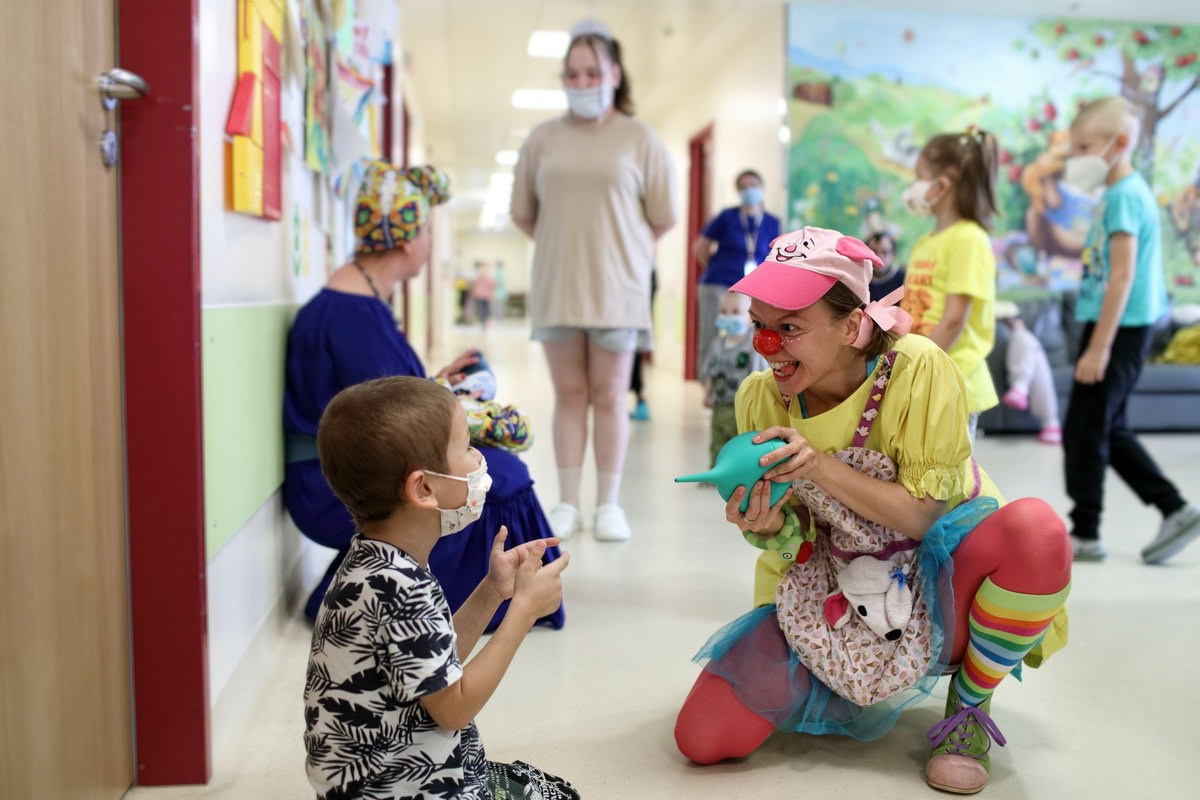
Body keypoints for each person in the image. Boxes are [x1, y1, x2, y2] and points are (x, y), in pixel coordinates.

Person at [673, 227, 1072, 795]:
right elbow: (798, 537)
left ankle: (969, 706)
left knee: (1038, 531)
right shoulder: (760, 397)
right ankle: (848, 674)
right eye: (759, 324)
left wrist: (819, 467)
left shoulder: (916, 369)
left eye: (790, 328)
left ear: (851, 325)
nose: (766, 345)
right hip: (832, 591)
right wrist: (769, 525)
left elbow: (925, 518)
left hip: (944, 579)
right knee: (703, 739)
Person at [284, 161, 565, 631]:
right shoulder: (354, 317)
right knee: (503, 475)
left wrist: (435, 385)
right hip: (338, 487)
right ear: (408, 239)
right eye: (428, 232)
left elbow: (378, 402)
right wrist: (478, 417)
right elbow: (389, 423)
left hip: (354, 465)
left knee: (491, 465)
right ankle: (481, 595)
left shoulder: (357, 303)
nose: (430, 243)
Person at [304, 376, 578, 800]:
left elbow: (433, 662)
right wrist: (522, 612)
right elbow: (454, 709)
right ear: (424, 488)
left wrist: (493, 591)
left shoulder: (377, 561)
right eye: (467, 447)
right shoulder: (400, 587)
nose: (480, 457)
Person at [511, 18, 677, 542]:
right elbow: (525, 213)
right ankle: (566, 503)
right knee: (568, 393)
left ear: (614, 74)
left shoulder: (640, 138)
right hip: (558, 285)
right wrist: (566, 244)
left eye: (592, 73)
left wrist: (616, 249)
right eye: (572, 74)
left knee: (608, 395)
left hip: (617, 290)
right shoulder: (542, 139)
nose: (581, 83)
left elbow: (662, 217)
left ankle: (608, 504)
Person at [1061, 97, 1200, 563]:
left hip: (1119, 329)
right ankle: (1174, 509)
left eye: (1084, 147)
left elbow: (1122, 277)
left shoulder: (1124, 196)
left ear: (1119, 143)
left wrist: (1099, 348)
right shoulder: (1122, 192)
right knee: (1106, 426)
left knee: (1085, 430)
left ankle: (1085, 532)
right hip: (1117, 327)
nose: (1075, 156)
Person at [899, 126, 1001, 442]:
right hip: (924, 376)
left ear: (941, 186)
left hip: (952, 382)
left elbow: (955, 318)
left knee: (947, 471)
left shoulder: (969, 239)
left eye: (919, 176)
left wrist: (918, 370)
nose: (913, 185)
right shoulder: (927, 242)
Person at [694, 170, 782, 369]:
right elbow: (700, 248)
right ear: (738, 191)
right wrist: (717, 269)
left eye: (753, 185)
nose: (749, 190)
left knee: (751, 333)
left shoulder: (772, 222)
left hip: (751, 289)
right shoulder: (727, 217)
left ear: (762, 188)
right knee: (711, 333)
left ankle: (747, 377)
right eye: (743, 187)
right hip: (719, 283)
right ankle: (708, 379)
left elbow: (774, 256)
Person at [701, 291, 766, 466]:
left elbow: (759, 378)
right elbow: (711, 371)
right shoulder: (717, 344)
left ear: (750, 318)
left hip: (741, 408)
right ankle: (715, 471)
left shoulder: (752, 347)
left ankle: (738, 473)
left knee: (739, 446)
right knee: (717, 444)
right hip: (719, 406)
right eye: (724, 311)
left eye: (735, 312)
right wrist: (707, 393)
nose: (728, 316)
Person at [995, 300, 1061, 445]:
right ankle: (1050, 422)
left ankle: (1020, 387)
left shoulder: (1010, 309)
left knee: (1031, 348)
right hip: (1005, 347)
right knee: (1025, 339)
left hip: (1020, 346)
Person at [630, 268, 658, 421]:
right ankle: (639, 400)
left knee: (632, 345)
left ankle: (640, 400)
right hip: (637, 277)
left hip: (639, 277)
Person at [864, 230, 906, 301]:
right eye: (874, 252)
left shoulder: (904, 280)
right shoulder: (861, 280)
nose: (879, 257)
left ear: (894, 254)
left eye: (884, 252)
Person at [471, 261, 497, 331]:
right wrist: (474, 293)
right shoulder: (478, 277)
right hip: (479, 295)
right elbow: (475, 285)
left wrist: (492, 294)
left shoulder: (489, 277)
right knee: (481, 310)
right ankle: (483, 322)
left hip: (486, 296)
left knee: (485, 310)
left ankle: (485, 322)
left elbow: (492, 286)